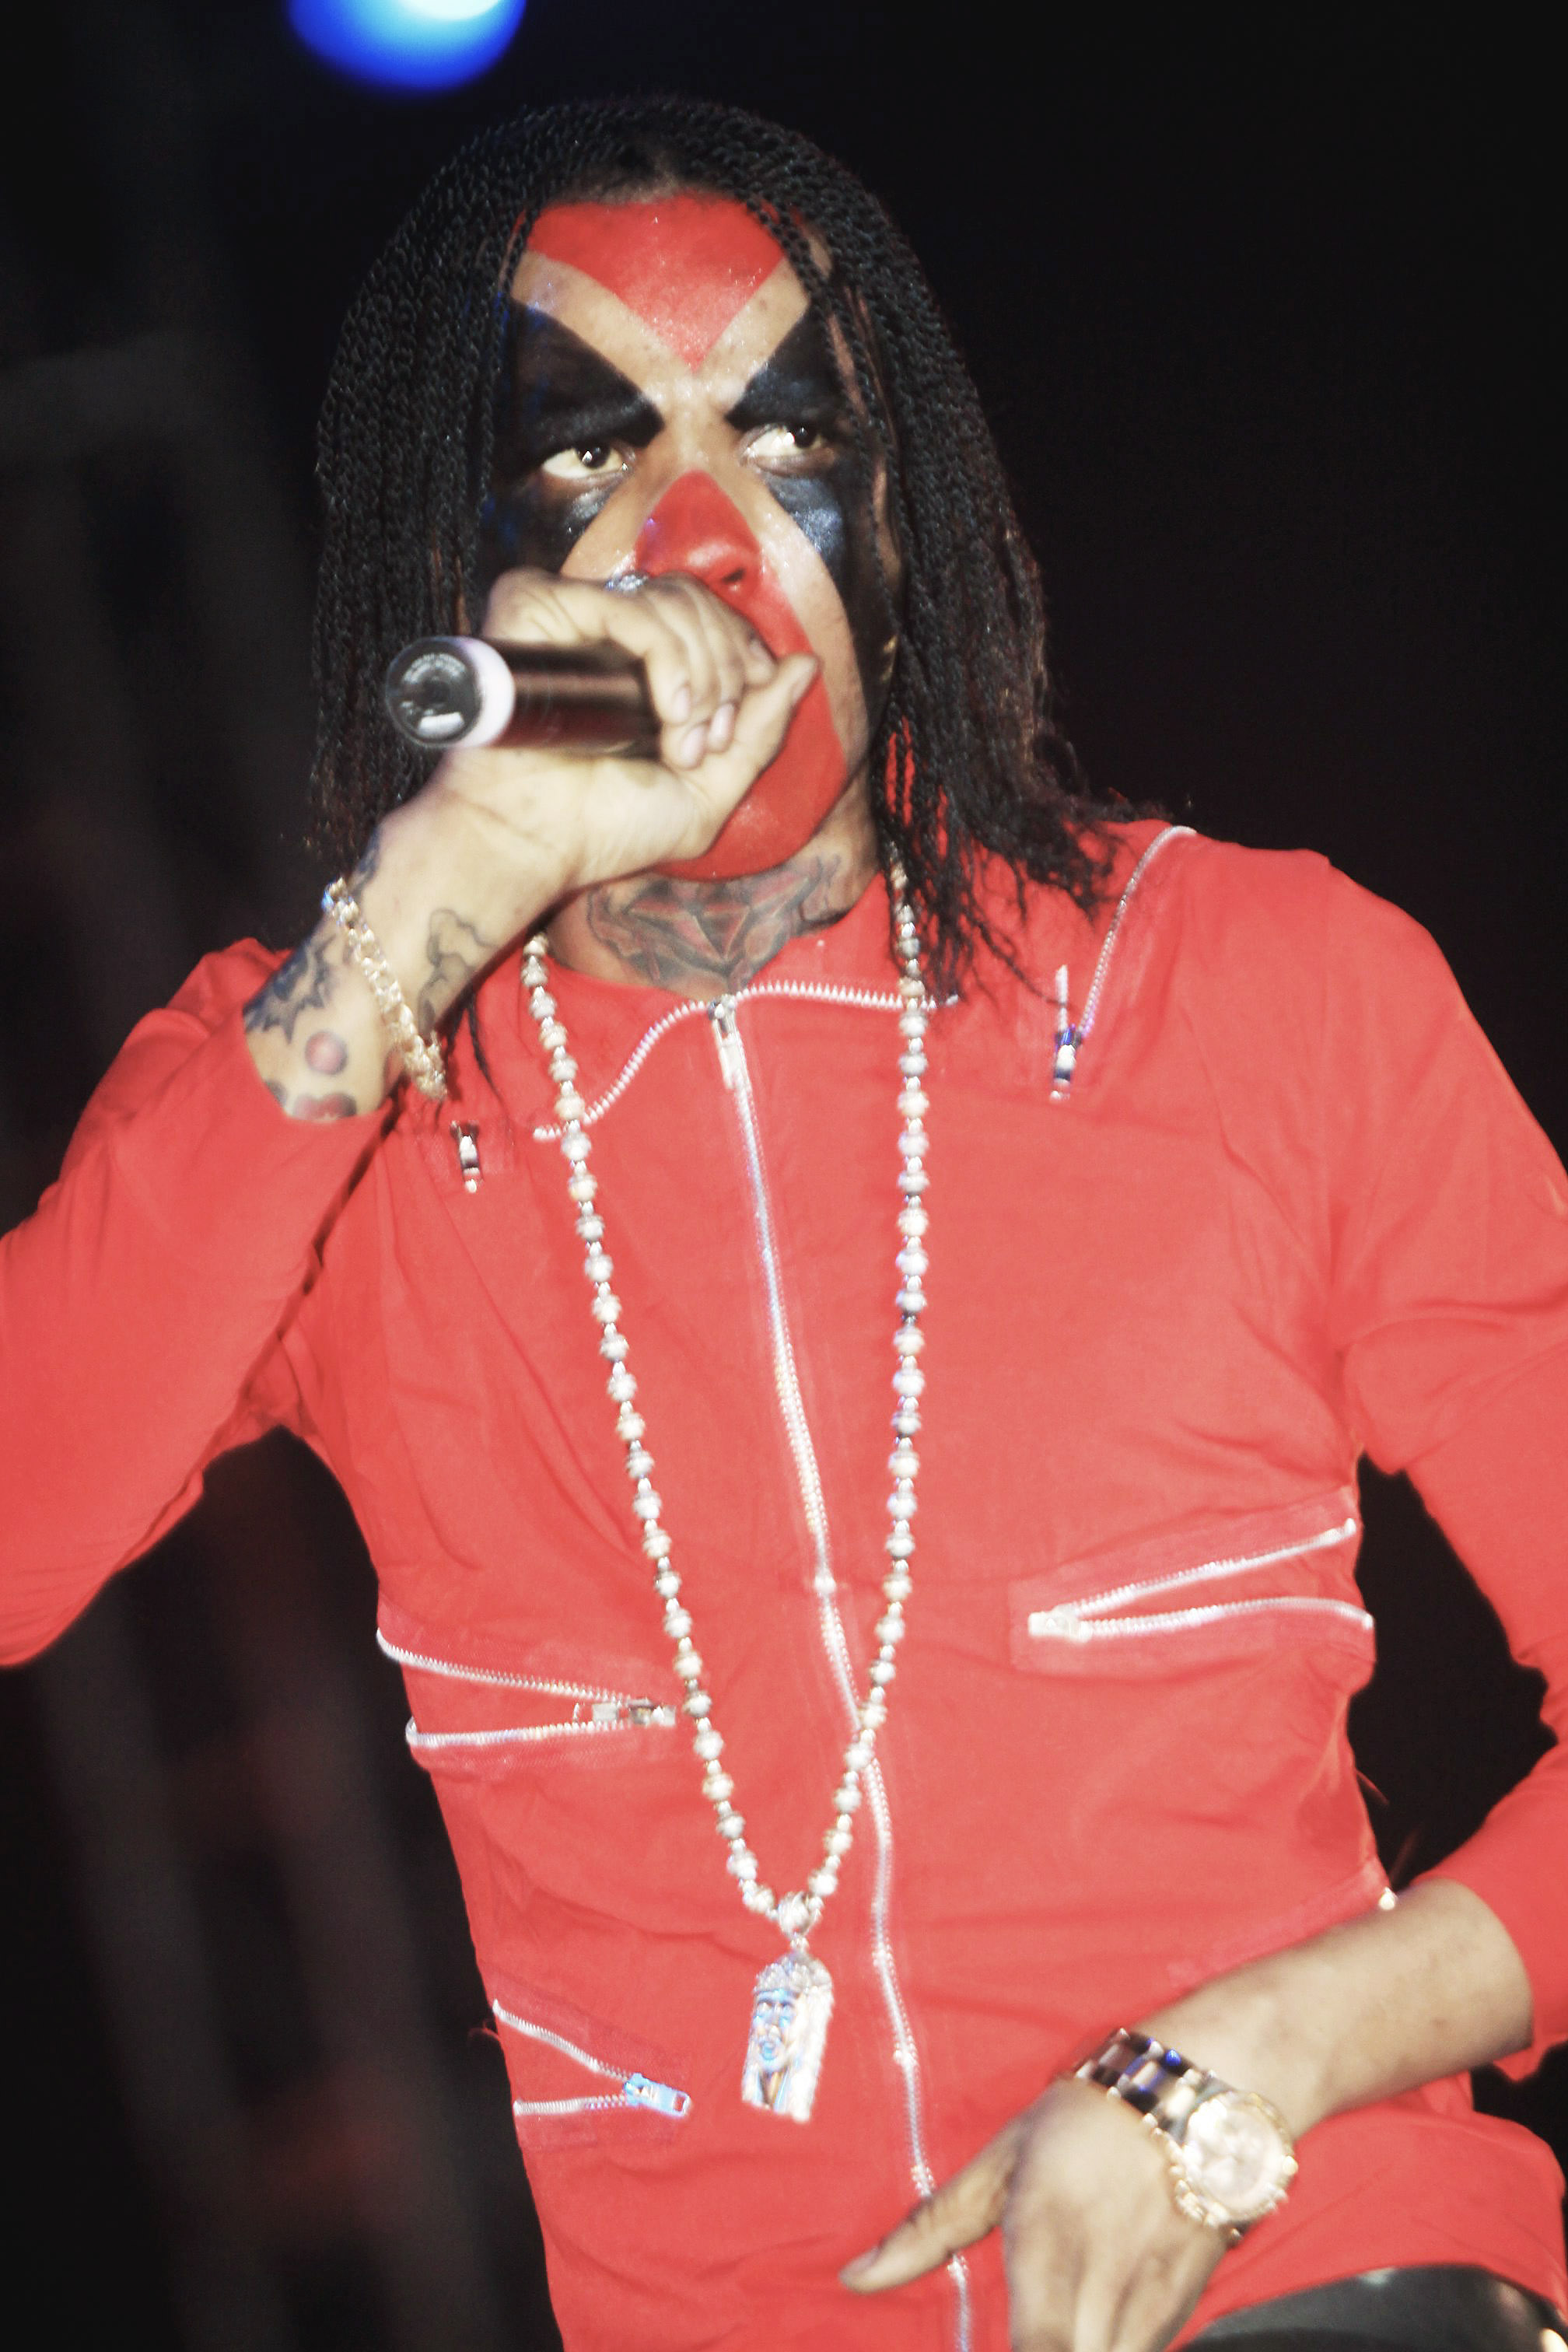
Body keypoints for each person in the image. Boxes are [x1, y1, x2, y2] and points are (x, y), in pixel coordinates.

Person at [5, 95, 1567, 2352]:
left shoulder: (1250, 988)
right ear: (463, 570)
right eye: (589, 452)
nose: (703, 537)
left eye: (787, 436)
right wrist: (435, 895)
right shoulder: (336, 1097)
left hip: (1306, 2258)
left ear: (901, 524)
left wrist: (1258, 2058)